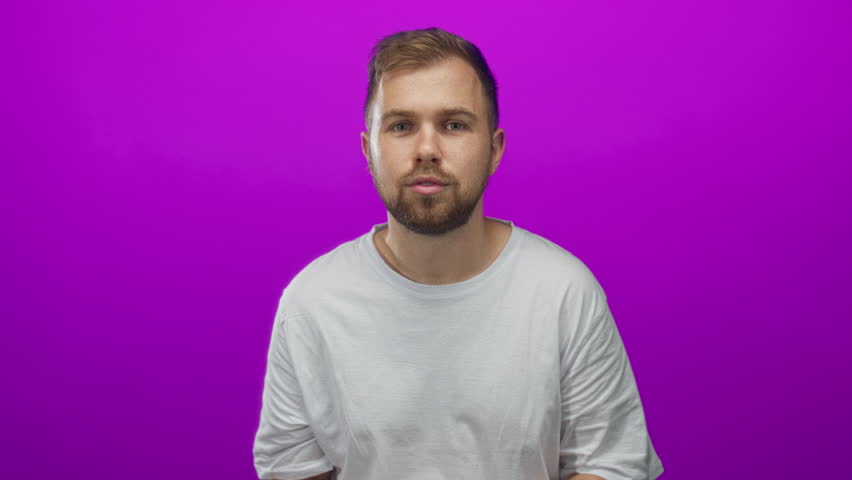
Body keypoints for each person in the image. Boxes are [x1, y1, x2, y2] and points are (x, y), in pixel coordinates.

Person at [253, 27, 664, 480]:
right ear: (369, 150)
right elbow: (292, 469)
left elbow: (609, 464)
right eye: (402, 126)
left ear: (494, 149)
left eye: (454, 125)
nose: (427, 150)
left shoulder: (563, 291)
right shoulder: (311, 302)